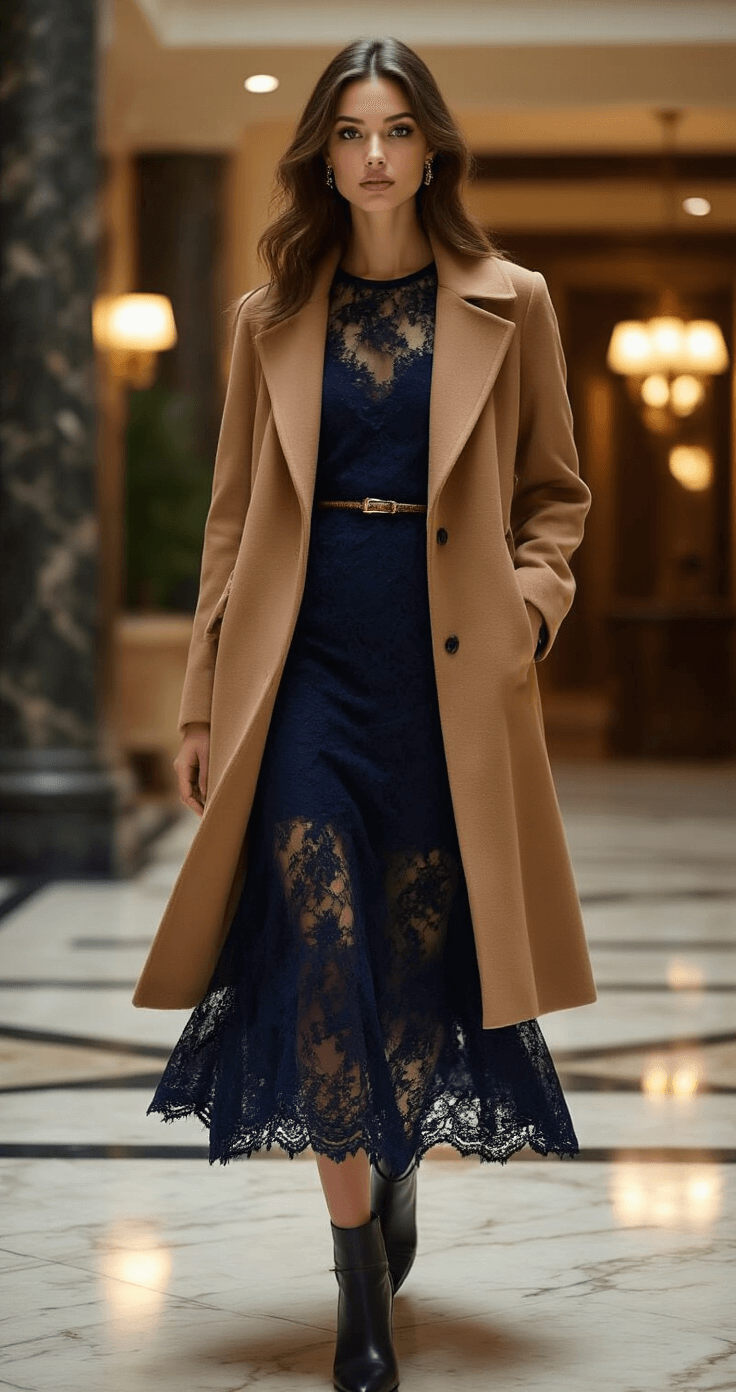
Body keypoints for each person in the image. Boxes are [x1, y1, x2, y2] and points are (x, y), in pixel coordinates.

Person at [134, 36, 597, 1392]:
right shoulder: (268, 314)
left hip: (445, 686)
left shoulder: (513, 301)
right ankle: (358, 1291)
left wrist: (528, 609)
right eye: (350, 133)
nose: (375, 155)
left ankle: (390, 1165)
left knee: (414, 961)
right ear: (323, 157)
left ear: (432, 148)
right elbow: (230, 519)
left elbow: (556, 498)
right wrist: (203, 703)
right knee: (322, 951)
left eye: (396, 130)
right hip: (303, 677)